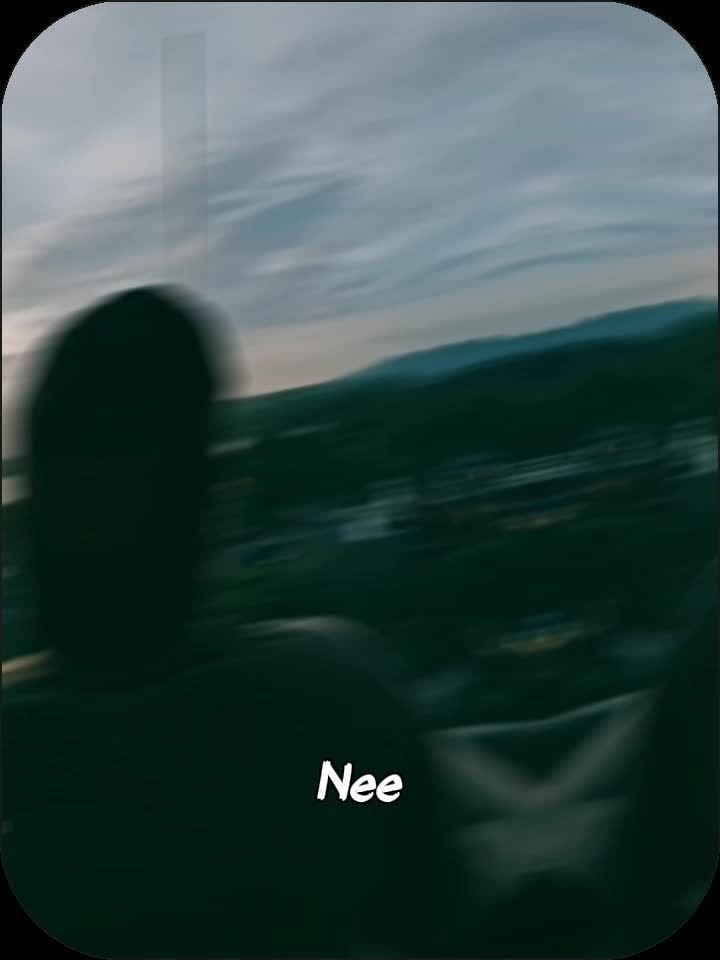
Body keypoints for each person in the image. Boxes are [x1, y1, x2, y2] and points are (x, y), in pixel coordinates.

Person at [2, 287, 470, 958]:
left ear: (35, 515)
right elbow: (426, 890)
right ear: (209, 496)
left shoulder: (20, 766)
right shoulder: (336, 706)